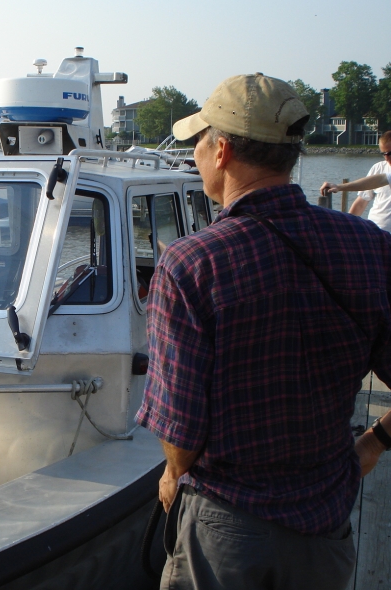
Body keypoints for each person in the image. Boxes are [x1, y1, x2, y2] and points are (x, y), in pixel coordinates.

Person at [135, 73, 391, 590]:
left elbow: (181, 437)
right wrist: (375, 442)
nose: (196, 156)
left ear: (223, 149)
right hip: (326, 524)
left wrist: (170, 474)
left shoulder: (191, 264)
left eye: (199, 143)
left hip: (227, 530)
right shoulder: (368, 245)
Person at [320, 130, 391, 232]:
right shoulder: (378, 168)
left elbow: (380, 180)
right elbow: (361, 203)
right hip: (374, 234)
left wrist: (340, 187)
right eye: (384, 154)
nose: (387, 158)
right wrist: (346, 229)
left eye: (390, 153)